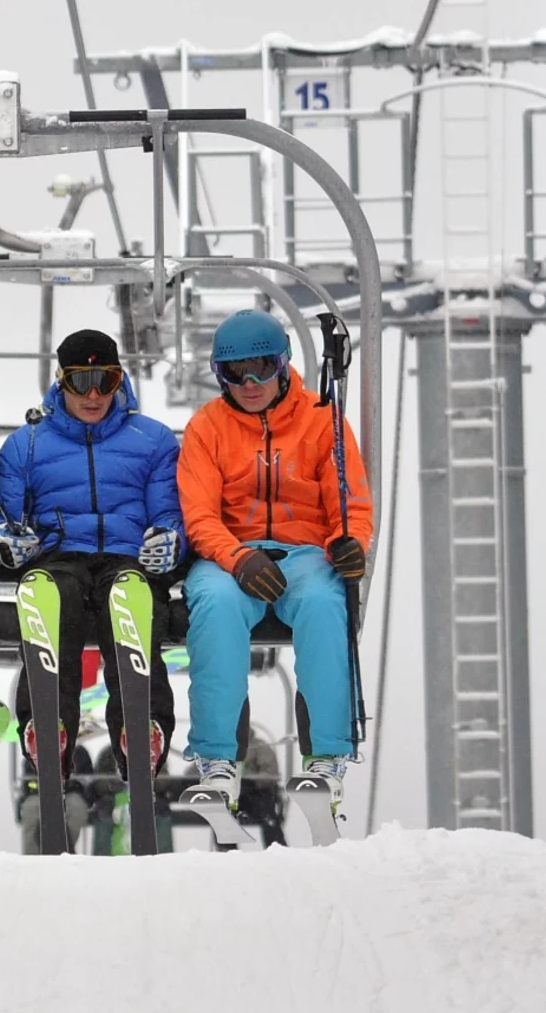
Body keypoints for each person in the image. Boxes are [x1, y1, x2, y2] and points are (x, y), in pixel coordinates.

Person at [176, 309, 372, 807]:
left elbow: (348, 501)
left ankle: (326, 757)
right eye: (235, 374)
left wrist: (350, 544)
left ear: (283, 364)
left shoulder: (320, 420)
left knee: (325, 606)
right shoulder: (207, 428)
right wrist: (237, 557)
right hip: (232, 557)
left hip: (305, 553)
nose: (250, 383)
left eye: (261, 367)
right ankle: (218, 761)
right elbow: (198, 514)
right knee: (215, 607)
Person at [0, 329, 183, 783]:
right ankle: (48, 724)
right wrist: (2, 539)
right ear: (61, 382)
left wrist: (170, 539)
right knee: (47, 593)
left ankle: (141, 726)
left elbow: (170, 513)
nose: (93, 395)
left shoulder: (152, 440)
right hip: (58, 556)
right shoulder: (27, 444)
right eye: (80, 381)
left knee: (131, 596)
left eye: (105, 381)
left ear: (120, 380)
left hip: (127, 557)